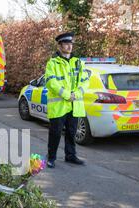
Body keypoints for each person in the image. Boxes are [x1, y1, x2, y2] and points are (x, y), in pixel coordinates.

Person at [44, 32, 90, 168]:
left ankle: (70, 156)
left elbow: (85, 80)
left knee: (71, 132)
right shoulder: (53, 63)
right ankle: (51, 157)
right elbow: (51, 82)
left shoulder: (78, 63)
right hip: (59, 105)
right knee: (55, 133)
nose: (69, 46)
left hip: (74, 105)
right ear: (59, 46)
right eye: (66, 44)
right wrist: (66, 94)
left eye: (71, 44)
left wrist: (76, 94)